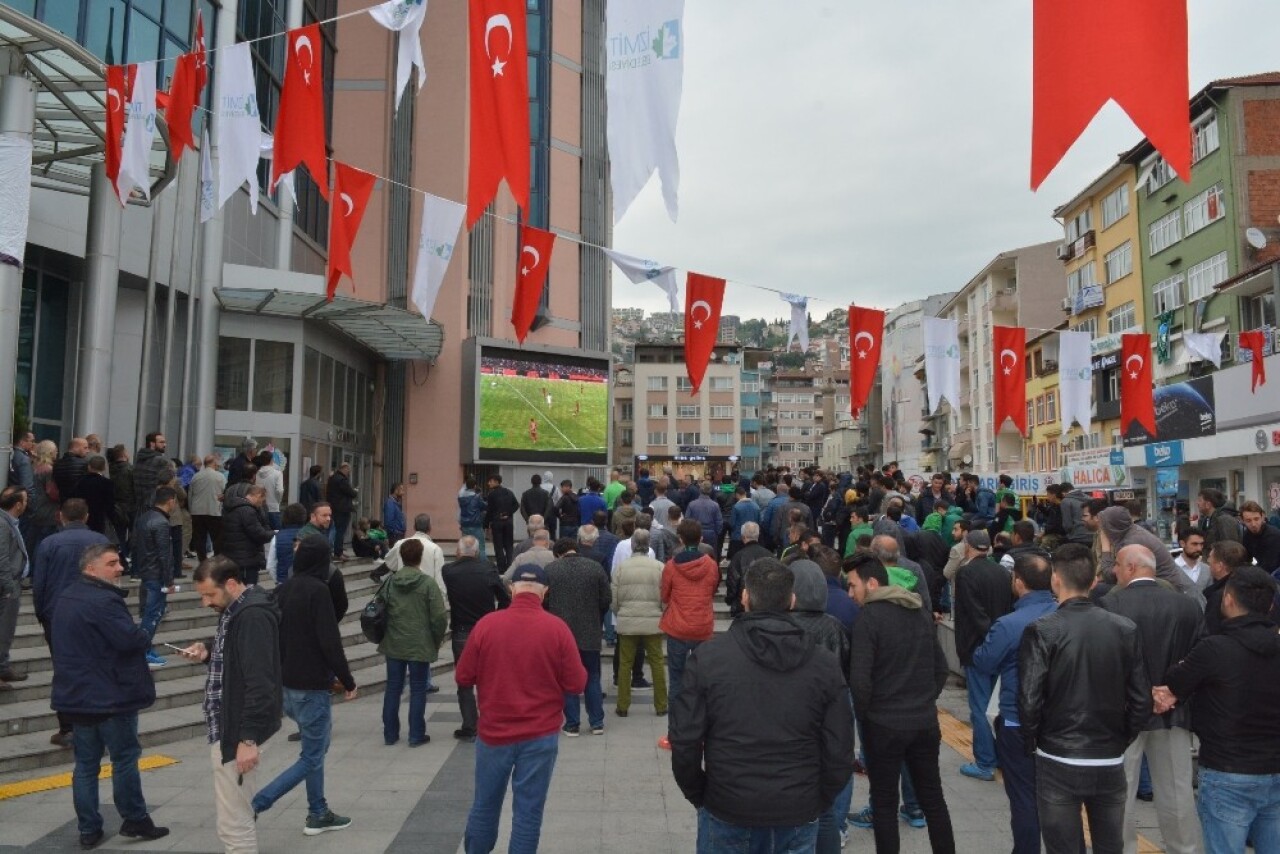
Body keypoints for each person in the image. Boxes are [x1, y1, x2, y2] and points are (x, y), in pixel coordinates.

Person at [672, 558, 852, 851]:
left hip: (729, 802)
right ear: (791, 600)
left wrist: (701, 794)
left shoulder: (708, 659)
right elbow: (840, 745)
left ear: (745, 597)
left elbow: (685, 740)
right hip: (797, 804)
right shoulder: (824, 664)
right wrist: (818, 797)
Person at [1018, 543, 1151, 854]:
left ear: (1055, 580)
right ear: (1094, 581)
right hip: (1108, 754)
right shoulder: (1124, 629)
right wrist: (1120, 737)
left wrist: (1034, 741)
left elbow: (1029, 699)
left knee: (1063, 845)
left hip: (1057, 754)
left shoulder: (1042, 630)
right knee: (1109, 844)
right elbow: (1141, 699)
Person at [456, 564, 587, 853]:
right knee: (528, 813)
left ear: (512, 588)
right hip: (539, 736)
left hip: (493, 735)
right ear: (545, 593)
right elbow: (577, 683)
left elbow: (463, 676)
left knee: (484, 804)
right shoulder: (557, 629)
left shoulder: (487, 625)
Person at [1155, 566, 1280, 853]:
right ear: (1270, 605)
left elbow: (1177, 681)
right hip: (1275, 767)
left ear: (1228, 600)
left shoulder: (1214, 649)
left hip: (1227, 768)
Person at [51, 543, 168, 848]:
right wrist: (149, 623)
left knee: (86, 766)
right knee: (125, 759)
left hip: (77, 696)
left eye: (119, 562)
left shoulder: (66, 596)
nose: (120, 569)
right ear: (90, 569)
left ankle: (89, 829)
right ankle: (135, 819)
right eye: (112, 563)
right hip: (110, 696)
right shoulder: (104, 601)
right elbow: (131, 640)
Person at [848, 551, 956, 854]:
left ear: (871, 584)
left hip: (883, 725)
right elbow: (941, 668)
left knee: (884, 803)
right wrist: (924, 699)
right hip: (923, 722)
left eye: (852, 585)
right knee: (933, 798)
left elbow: (860, 681)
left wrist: (868, 716)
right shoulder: (918, 613)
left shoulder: (868, 618)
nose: (850, 593)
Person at [1100, 544, 1205, 854]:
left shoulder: (1110, 605)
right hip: (1173, 712)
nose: (1113, 571)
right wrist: (1171, 691)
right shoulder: (1187, 606)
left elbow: (1107, 662)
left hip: (1123, 714)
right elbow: (1200, 658)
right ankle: (1184, 848)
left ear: (1131, 567)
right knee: (1177, 791)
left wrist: (1142, 693)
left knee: (1120, 792)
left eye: (1117, 565)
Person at [250, 534, 356, 834]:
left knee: (315, 750)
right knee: (312, 756)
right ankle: (257, 804)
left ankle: (318, 811)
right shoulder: (318, 591)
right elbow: (330, 641)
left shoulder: (283, 589)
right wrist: (347, 680)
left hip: (286, 685)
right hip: (311, 687)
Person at [180, 556, 282, 854]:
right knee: (235, 814)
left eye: (209, 594)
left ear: (232, 584)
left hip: (236, 730)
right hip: (228, 725)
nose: (205, 602)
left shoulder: (251, 616)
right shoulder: (237, 610)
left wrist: (247, 738)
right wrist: (209, 651)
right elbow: (237, 657)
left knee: (233, 822)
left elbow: (260, 682)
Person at [970, 550, 1058, 854]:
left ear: (1018, 582)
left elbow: (982, 662)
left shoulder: (1009, 624)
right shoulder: (1066, 614)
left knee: (1023, 796)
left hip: (1017, 719)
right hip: (1063, 723)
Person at [789, 558, 855, 851]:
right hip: (828, 720)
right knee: (825, 809)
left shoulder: (786, 625)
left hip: (794, 721)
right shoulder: (835, 627)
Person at [32, 499, 109, 747]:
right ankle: (94, 724)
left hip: (58, 615)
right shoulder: (100, 541)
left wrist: (42, 614)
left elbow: (39, 583)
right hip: (94, 613)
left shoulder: (48, 543)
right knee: (94, 666)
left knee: (64, 670)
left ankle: (67, 728)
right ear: (86, 517)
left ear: (61, 517)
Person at [953, 529, 1013, 782]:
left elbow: (975, 613)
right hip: (1002, 646)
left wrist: (987, 638)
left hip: (977, 647)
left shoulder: (966, 573)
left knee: (979, 705)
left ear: (968, 547)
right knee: (998, 705)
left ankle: (985, 762)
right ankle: (1001, 756)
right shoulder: (1002, 572)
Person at [377, 539, 448, 746]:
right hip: (419, 642)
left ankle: (390, 734)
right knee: (417, 689)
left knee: (393, 688)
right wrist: (435, 640)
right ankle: (416, 734)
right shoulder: (427, 583)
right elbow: (439, 618)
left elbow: (379, 610)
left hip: (394, 642)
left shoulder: (390, 582)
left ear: (401, 557)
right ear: (419, 558)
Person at [659, 519, 722, 751]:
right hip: (702, 626)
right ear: (701, 539)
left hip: (677, 627)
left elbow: (665, 596)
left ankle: (674, 735)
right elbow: (713, 589)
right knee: (703, 682)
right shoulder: (711, 565)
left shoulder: (671, 566)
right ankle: (702, 734)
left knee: (677, 681)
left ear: (681, 540)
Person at [442, 536, 510, 742]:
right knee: (489, 678)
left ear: (458, 551)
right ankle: (492, 720)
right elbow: (506, 598)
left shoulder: (449, 571)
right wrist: (496, 617)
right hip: (486, 629)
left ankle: (470, 725)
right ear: (478, 552)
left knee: (464, 680)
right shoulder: (488, 569)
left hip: (462, 631)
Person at [544, 537, 612, 736]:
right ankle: (597, 722)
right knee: (592, 676)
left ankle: (572, 723)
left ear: (558, 553)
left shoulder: (551, 570)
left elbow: (544, 601)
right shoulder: (595, 567)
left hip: (561, 633)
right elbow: (606, 598)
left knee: (566, 678)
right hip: (590, 631)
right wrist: (595, 616)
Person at [612, 529, 668, 718]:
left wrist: (619, 612)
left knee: (625, 664)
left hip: (627, 620)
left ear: (633, 545)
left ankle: (622, 705)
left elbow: (614, 598)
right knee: (657, 663)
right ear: (649, 544)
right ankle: (661, 705)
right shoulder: (660, 567)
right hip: (653, 621)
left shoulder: (622, 567)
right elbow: (665, 596)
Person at [133, 486, 179, 670]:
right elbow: (164, 554)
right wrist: (169, 580)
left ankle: (145, 648)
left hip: (146, 570)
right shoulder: (161, 523)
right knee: (152, 614)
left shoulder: (145, 518)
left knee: (148, 612)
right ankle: (142, 650)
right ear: (171, 501)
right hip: (156, 574)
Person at [0, 487, 29, 683]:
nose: (28, 503)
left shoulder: (10, 522)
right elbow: (2, 558)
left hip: (13, 583)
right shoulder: (3, 525)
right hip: (7, 587)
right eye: (25, 500)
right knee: (4, 629)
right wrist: (9, 587)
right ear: (18, 505)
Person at [220, 484, 274, 587]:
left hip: (234, 557)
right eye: (262, 500)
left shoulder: (233, 508)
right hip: (246, 559)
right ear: (258, 495)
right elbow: (259, 534)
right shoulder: (248, 511)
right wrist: (275, 534)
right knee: (248, 592)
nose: (262, 504)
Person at [724, 521, 771, 619]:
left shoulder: (738, 557)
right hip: (765, 604)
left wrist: (730, 599)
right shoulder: (769, 556)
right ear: (758, 536)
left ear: (743, 537)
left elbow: (732, 581)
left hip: (743, 605)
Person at [1203, 541, 1251, 635]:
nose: (1208, 561)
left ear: (1219, 566)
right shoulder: (1255, 585)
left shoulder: (1220, 597)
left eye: (1210, 558)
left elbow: (1211, 631)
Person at [188, 455, 226, 563]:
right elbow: (224, 492)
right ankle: (217, 560)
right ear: (214, 463)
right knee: (217, 538)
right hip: (214, 511)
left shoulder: (196, 476)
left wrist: (192, 511)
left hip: (197, 512)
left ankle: (202, 561)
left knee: (199, 538)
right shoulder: (220, 476)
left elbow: (190, 494)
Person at [69, 455, 115, 537]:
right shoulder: (107, 483)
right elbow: (110, 504)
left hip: (82, 516)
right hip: (99, 518)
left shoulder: (80, 482)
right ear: (104, 468)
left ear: (89, 467)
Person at [131, 433, 173, 515]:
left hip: (137, 504)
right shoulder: (161, 461)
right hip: (154, 504)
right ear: (152, 444)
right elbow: (166, 480)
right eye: (161, 442)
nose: (165, 445)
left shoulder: (139, 459)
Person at [326, 463, 358, 560]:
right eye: (348, 470)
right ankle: (338, 552)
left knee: (332, 530)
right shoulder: (342, 480)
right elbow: (351, 493)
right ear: (343, 468)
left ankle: (332, 551)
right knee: (340, 531)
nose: (349, 472)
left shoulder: (332, 478)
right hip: (342, 509)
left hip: (333, 507)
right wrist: (355, 491)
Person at [272, 503, 307, 584]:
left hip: (283, 581)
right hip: (305, 582)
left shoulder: (277, 537)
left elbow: (271, 565)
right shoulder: (310, 534)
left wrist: (278, 580)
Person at [1241, 499, 1280, 573]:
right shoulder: (1247, 535)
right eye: (1248, 521)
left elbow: (1270, 566)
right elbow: (1247, 559)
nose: (1253, 524)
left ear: (1263, 517)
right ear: (1242, 521)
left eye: (1256, 519)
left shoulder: (1273, 535)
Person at [1174, 529, 1210, 593]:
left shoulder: (1207, 570)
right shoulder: (1171, 569)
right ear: (1182, 543)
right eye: (1194, 544)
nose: (1199, 548)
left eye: (1201, 544)